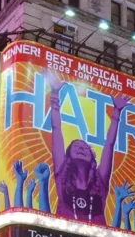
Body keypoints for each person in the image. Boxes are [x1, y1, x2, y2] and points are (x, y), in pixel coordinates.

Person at [48, 74, 130, 221]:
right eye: (76, 147)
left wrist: (117, 112)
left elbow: (109, 145)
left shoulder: (100, 180)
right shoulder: (62, 177)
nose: (81, 148)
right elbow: (56, 128)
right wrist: (55, 94)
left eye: (85, 148)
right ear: (68, 157)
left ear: (92, 158)